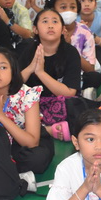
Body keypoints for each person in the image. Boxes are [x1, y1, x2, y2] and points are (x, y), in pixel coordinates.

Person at [0, 47, 53, 177]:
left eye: (3, 67)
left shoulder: (27, 94)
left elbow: (31, 142)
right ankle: (9, 170)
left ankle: (3, 170)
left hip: (22, 140)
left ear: (13, 70)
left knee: (37, 159)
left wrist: (0, 116)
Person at [18, 9, 83, 141]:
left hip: (59, 104)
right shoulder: (27, 50)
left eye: (55, 21)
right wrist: (30, 68)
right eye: (45, 21)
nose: (50, 26)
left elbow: (69, 93)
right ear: (35, 29)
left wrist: (40, 73)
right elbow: (12, 86)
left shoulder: (70, 52)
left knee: (81, 119)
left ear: (63, 29)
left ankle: (38, 129)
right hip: (32, 105)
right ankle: (46, 130)